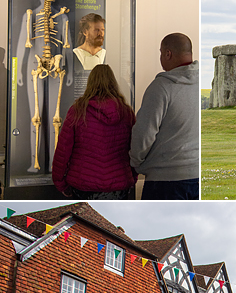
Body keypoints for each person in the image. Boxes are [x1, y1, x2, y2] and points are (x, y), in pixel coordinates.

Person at [130, 33, 199, 199]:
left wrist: (135, 162)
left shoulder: (161, 87)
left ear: (168, 54)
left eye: (161, 53)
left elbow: (145, 133)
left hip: (165, 179)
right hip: (197, 174)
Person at [52, 64, 136, 199]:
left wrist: (60, 183)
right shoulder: (126, 112)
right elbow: (135, 149)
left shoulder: (78, 110)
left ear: (90, 82)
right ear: (113, 83)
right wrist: (132, 176)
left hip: (83, 184)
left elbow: (63, 150)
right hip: (119, 184)